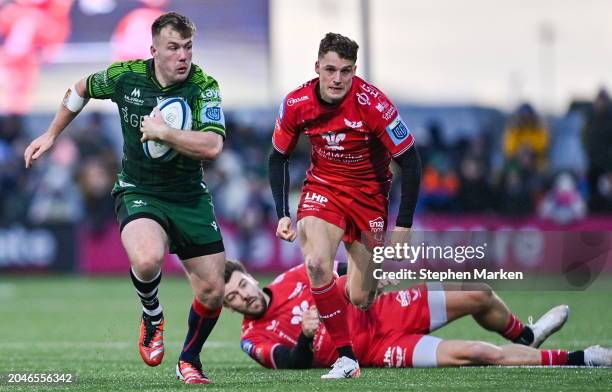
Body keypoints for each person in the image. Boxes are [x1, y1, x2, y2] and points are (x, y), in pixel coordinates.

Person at [24, 12, 226, 384]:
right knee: (147, 260)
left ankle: (189, 361)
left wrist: (165, 134)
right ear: (154, 50)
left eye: (188, 48)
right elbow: (80, 88)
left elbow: (213, 145)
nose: (183, 56)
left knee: (214, 291)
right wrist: (52, 134)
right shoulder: (125, 75)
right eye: (173, 48)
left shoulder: (203, 86)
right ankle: (152, 315)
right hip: (139, 189)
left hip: (188, 196)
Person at [268, 32, 422, 378]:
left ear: (355, 71)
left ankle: (345, 284)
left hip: (369, 200)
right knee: (316, 263)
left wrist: (403, 225)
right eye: (331, 69)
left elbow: (411, 161)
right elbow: (277, 157)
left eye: (346, 71)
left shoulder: (375, 105)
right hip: (323, 189)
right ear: (317, 67)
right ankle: (346, 357)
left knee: (360, 297)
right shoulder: (296, 104)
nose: (338, 79)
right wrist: (282, 213)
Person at [224, 260, 612, 370]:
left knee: (477, 292)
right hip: (377, 348)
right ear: (229, 308)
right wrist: (307, 336)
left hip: (384, 310)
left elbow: (345, 272)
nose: (243, 297)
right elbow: (291, 364)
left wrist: (373, 278)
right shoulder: (251, 338)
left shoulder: (294, 276)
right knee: (479, 353)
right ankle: (584, 358)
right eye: (233, 299)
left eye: (241, 286)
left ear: (249, 277)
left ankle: (525, 336)